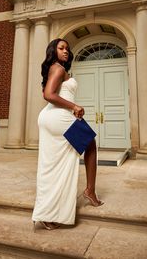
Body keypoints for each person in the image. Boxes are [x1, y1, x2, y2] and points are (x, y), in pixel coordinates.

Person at [32, 38, 103, 230]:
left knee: (54, 164)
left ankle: (48, 212)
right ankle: (90, 191)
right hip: (59, 116)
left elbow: (51, 93)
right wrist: (74, 106)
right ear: (52, 51)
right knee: (90, 143)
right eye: (61, 48)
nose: (66, 51)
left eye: (67, 49)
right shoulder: (58, 69)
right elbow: (48, 94)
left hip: (51, 117)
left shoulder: (54, 69)